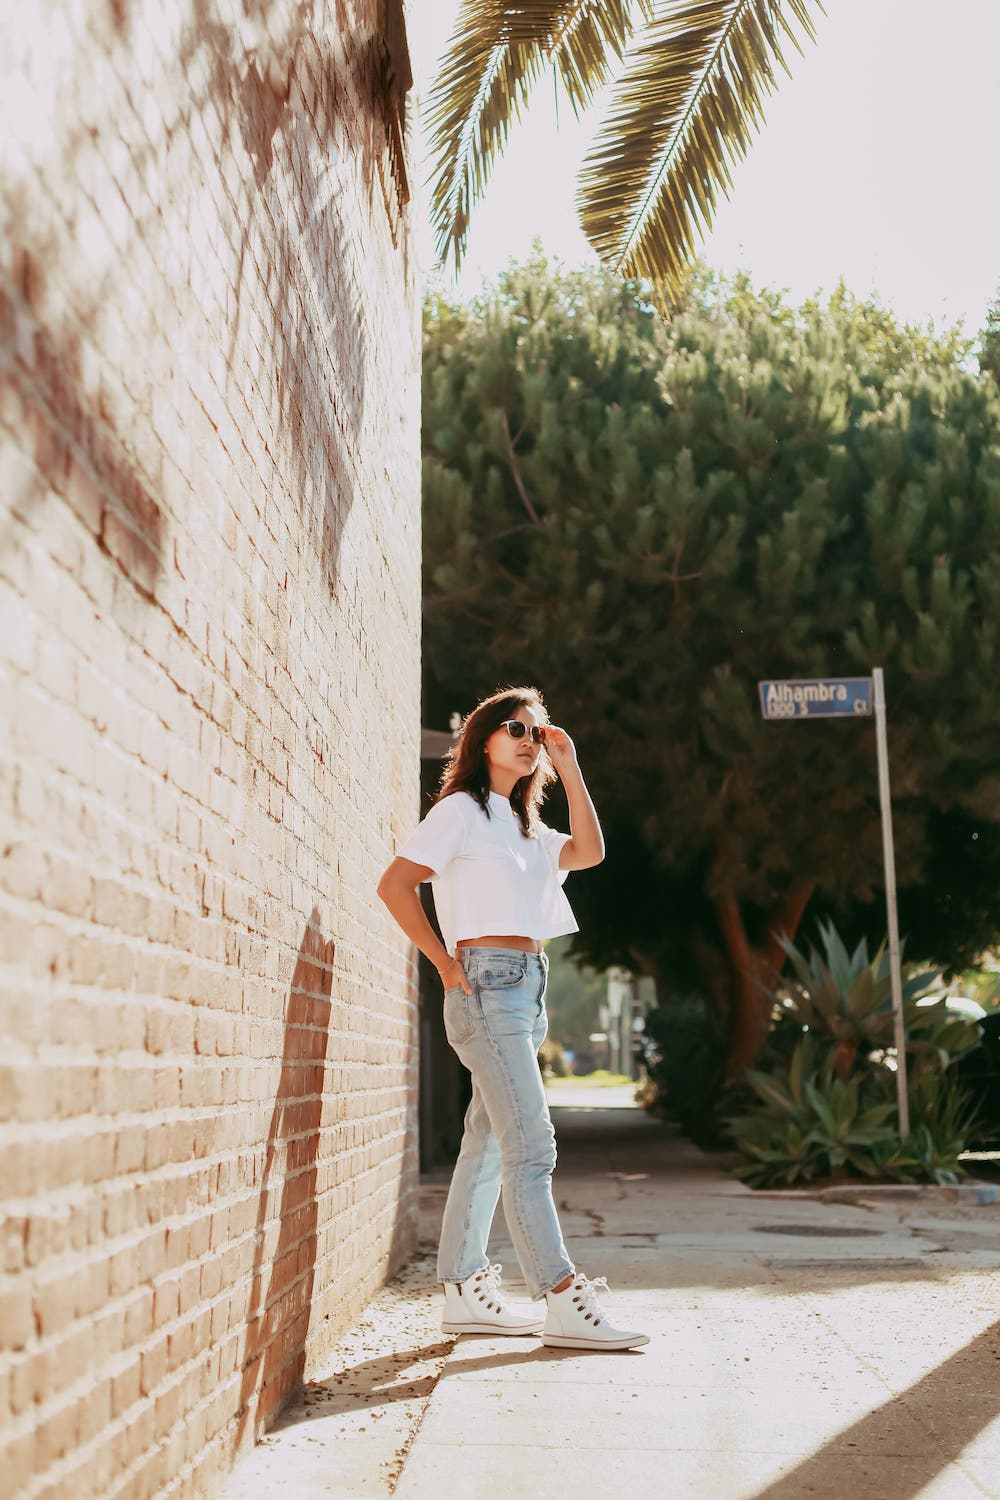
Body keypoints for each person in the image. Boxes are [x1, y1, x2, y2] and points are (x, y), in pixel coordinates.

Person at [377, 686, 649, 1351]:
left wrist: (571, 761)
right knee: (532, 1144)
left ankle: (464, 1288)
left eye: (537, 730)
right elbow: (394, 884)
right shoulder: (461, 811)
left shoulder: (525, 826)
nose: (528, 737)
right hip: (485, 986)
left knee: (491, 1141)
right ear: (482, 740)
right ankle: (559, 1294)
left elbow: (590, 851)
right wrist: (444, 966)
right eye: (514, 727)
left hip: (527, 990)